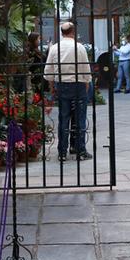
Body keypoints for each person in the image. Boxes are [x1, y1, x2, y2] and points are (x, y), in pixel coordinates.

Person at [43, 22, 92, 162]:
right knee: (80, 119)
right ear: (73, 31)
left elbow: (49, 71)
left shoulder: (55, 48)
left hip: (62, 86)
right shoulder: (79, 47)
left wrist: (52, 87)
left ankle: (62, 152)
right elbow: (85, 68)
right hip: (78, 85)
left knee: (63, 119)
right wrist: (87, 83)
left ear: (61, 32)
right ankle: (79, 150)